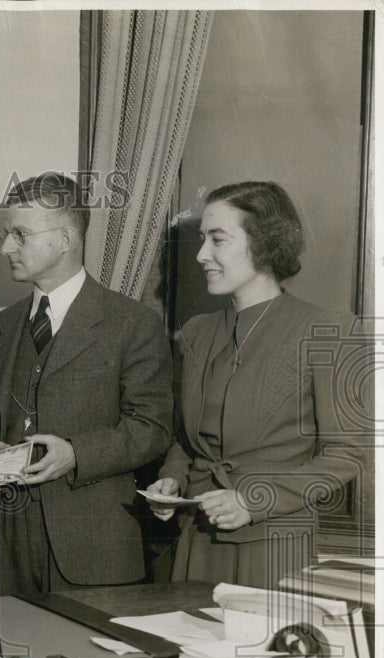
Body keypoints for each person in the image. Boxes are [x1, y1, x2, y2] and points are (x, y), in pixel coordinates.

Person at [0, 172, 172, 596]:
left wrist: (76, 454)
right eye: (5, 235)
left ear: (66, 238)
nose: (5, 248)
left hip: (96, 550)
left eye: (19, 234)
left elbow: (153, 428)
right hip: (4, 550)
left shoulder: (133, 324)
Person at [146, 181, 365, 587]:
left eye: (217, 239)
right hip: (195, 539)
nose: (200, 255)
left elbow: (348, 454)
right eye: (201, 240)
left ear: (264, 244)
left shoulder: (326, 330)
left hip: (273, 545)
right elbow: (183, 437)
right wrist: (173, 478)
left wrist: (252, 500)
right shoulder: (196, 333)